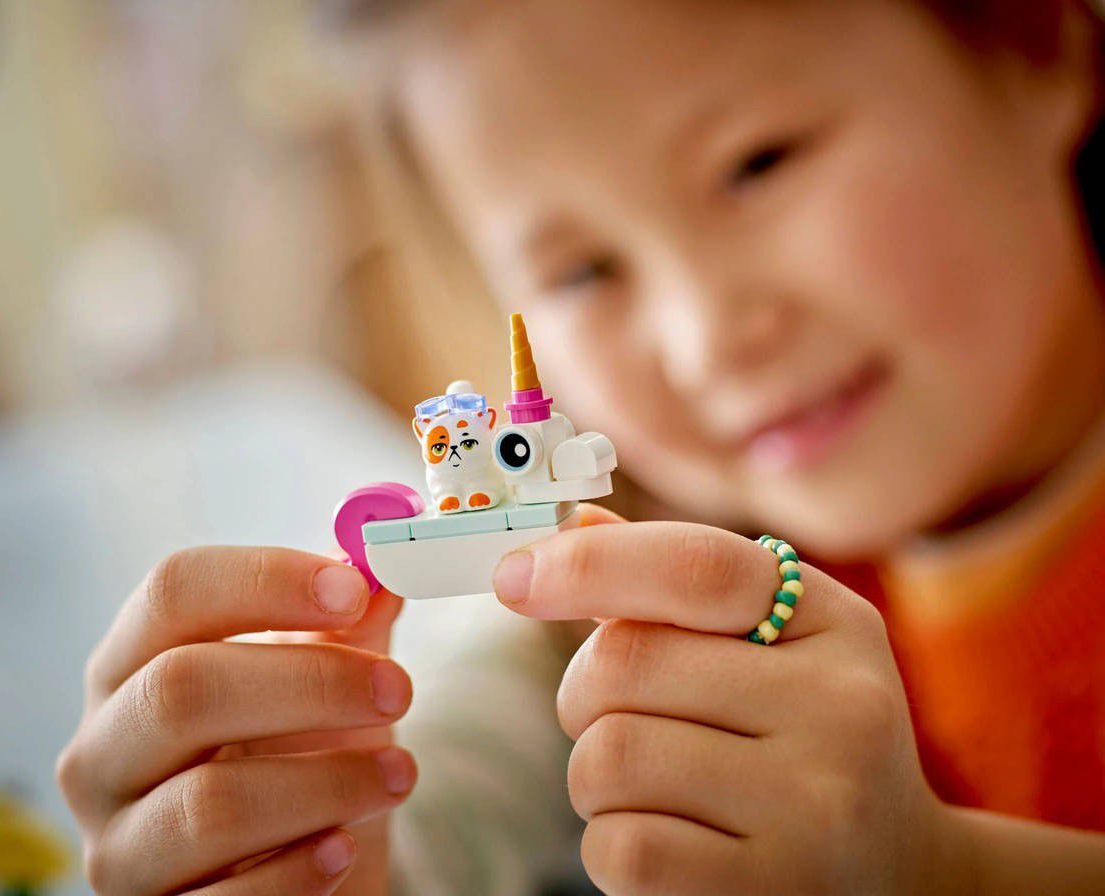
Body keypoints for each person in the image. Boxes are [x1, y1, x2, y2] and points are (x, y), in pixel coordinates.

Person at [57, 1, 1105, 893]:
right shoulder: (624, 607)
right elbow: (456, 807)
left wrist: (952, 872)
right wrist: (308, 842)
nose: (705, 338)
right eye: (581, 272)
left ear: (1035, 43)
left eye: (759, 163)